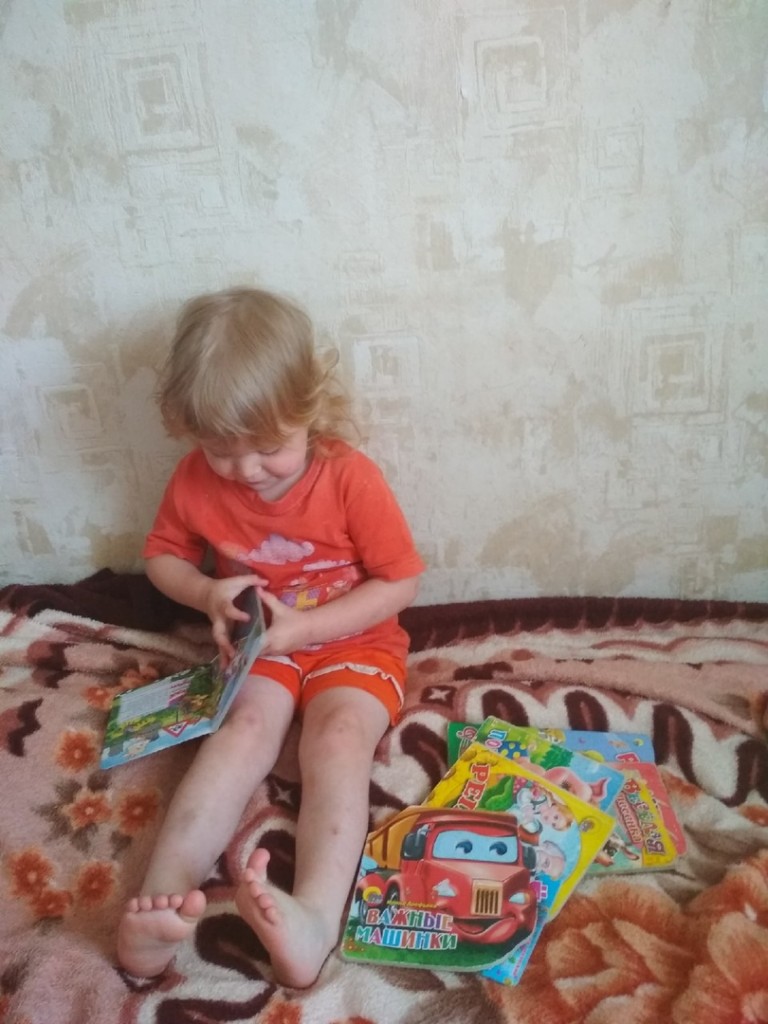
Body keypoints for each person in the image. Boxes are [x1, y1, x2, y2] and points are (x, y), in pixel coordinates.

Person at [116, 287, 424, 988]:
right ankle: (160, 905)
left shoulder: (348, 476)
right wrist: (206, 593)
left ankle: (313, 918)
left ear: (310, 410)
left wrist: (310, 627)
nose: (247, 470)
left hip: (355, 643)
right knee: (241, 733)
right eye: (222, 451)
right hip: (257, 647)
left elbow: (400, 580)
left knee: (338, 741)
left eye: (269, 448)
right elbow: (162, 555)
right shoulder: (194, 479)